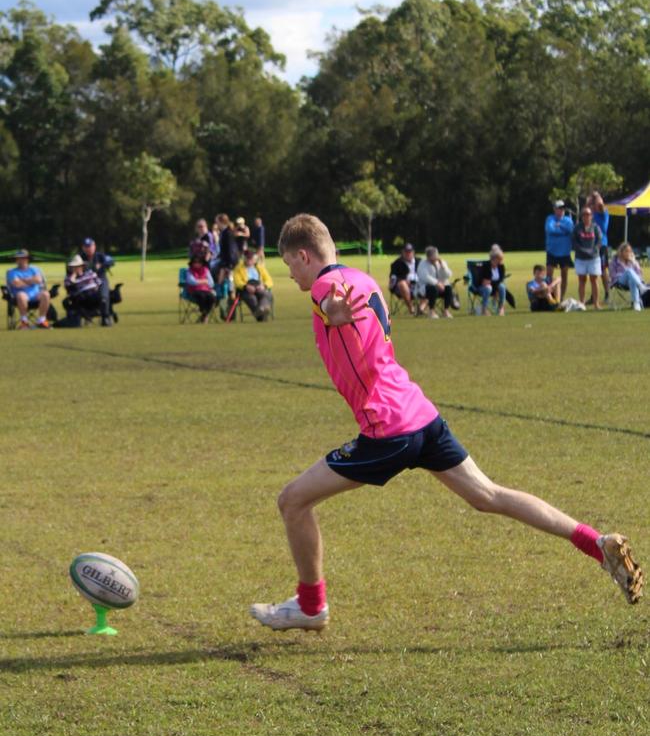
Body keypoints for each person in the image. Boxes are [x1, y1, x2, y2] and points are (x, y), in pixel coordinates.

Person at [249, 214, 643, 633]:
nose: (290, 274)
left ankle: (311, 606)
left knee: (292, 501)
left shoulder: (327, 286)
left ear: (305, 255)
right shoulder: (361, 278)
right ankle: (595, 543)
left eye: (290, 264)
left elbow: (329, 301)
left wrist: (333, 309)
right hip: (421, 415)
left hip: (387, 430)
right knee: (488, 494)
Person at [5, 249, 51, 329]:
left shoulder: (35, 269)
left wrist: (22, 280)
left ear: (27, 259)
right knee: (21, 295)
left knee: (46, 294)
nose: (20, 260)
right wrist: (31, 280)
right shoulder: (12, 272)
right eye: (18, 258)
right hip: (20, 297)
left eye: (22, 258)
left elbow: (39, 280)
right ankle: (24, 321)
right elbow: (17, 284)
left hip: (36, 295)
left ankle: (42, 320)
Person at [572, 207, 603, 309]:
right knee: (582, 280)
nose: (586, 216)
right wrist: (582, 250)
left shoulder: (595, 227)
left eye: (588, 214)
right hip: (580, 258)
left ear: (591, 216)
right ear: (582, 216)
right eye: (584, 214)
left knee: (594, 280)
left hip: (593, 258)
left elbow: (599, 241)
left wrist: (592, 251)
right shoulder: (577, 228)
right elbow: (574, 242)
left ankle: (596, 304)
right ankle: (582, 303)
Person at [233, 248, 274, 321]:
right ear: (244, 258)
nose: (249, 260)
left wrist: (264, 286)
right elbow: (237, 281)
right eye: (247, 258)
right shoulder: (238, 268)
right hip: (245, 290)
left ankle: (261, 309)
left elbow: (269, 280)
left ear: (254, 259)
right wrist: (246, 287)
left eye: (250, 258)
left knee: (267, 294)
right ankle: (261, 316)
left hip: (259, 287)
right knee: (252, 298)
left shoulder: (259, 267)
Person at [545, 200, 574, 301]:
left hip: (565, 252)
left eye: (563, 208)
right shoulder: (550, 219)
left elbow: (570, 229)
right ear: (555, 209)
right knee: (549, 275)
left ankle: (561, 297)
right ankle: (551, 297)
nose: (562, 210)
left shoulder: (568, 220)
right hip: (552, 251)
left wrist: (559, 226)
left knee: (564, 275)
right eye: (559, 208)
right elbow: (550, 230)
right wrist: (562, 230)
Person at [80, 237, 112, 326]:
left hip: (101, 280)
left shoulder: (100, 256)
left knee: (103, 297)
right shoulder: (79, 257)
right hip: (86, 283)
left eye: (90, 246)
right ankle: (87, 316)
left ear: (94, 246)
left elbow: (110, 261)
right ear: (83, 248)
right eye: (86, 247)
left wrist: (101, 265)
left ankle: (105, 317)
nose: (88, 248)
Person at [609, 242, 650, 312]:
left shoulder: (632, 261)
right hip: (619, 281)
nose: (629, 253)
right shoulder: (614, 262)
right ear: (621, 252)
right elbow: (612, 275)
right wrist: (624, 274)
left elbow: (640, 274)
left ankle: (636, 304)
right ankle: (641, 287)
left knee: (632, 280)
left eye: (630, 251)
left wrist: (634, 262)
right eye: (626, 251)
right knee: (629, 271)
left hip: (633, 282)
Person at [416, 246, 454, 319]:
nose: (433, 259)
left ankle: (446, 311)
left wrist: (443, 268)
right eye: (431, 257)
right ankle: (431, 311)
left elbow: (448, 275)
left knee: (448, 288)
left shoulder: (442, 262)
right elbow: (425, 277)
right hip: (425, 288)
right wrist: (437, 283)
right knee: (433, 289)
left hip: (441, 287)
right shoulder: (423, 264)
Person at [587, 190, 610, 302]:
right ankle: (593, 296)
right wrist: (590, 200)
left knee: (603, 270)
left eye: (594, 202)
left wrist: (596, 195)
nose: (593, 204)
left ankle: (607, 294)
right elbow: (586, 208)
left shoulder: (603, 211)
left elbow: (600, 204)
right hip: (592, 245)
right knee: (593, 271)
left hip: (602, 245)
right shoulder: (591, 214)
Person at [477, 245, 509, 316]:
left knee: (502, 286)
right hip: (482, 288)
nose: (501, 261)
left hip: (495, 287)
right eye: (500, 259)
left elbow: (501, 279)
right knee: (488, 288)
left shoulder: (501, 267)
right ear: (494, 258)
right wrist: (491, 282)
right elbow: (483, 281)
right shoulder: (485, 266)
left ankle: (501, 308)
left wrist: (492, 284)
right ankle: (484, 309)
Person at [185, 252, 217, 323]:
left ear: (202, 263)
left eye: (199, 262)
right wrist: (204, 281)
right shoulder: (189, 270)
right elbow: (191, 281)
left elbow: (211, 283)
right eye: (195, 262)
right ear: (192, 263)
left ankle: (204, 315)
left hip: (206, 290)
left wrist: (200, 281)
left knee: (212, 298)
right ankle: (204, 314)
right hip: (194, 290)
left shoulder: (206, 270)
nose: (197, 264)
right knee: (202, 296)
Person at [389, 243, 420, 315]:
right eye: (406, 252)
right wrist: (403, 280)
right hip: (402, 288)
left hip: (419, 286)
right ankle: (411, 307)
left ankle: (421, 308)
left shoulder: (420, 261)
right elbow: (393, 277)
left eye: (410, 252)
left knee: (430, 285)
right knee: (402, 283)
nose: (408, 254)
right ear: (402, 252)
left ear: (413, 252)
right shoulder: (397, 263)